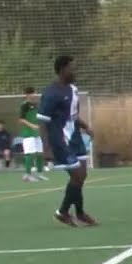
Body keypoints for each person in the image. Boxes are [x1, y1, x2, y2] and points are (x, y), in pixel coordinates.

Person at [38, 55, 98, 226]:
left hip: (75, 137)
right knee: (77, 175)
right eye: (72, 67)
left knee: (82, 175)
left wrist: (86, 126)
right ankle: (63, 212)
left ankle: (79, 213)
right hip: (60, 139)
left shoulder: (73, 89)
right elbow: (42, 120)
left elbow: (73, 115)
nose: (75, 70)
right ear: (63, 69)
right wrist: (46, 147)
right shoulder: (51, 93)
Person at [18, 87, 48, 181]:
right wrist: (32, 126)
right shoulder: (24, 105)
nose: (33, 95)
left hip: (36, 133)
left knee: (39, 153)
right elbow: (21, 119)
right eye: (31, 93)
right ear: (27, 95)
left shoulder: (36, 105)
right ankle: (27, 175)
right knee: (30, 153)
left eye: (34, 93)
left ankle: (39, 173)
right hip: (28, 133)